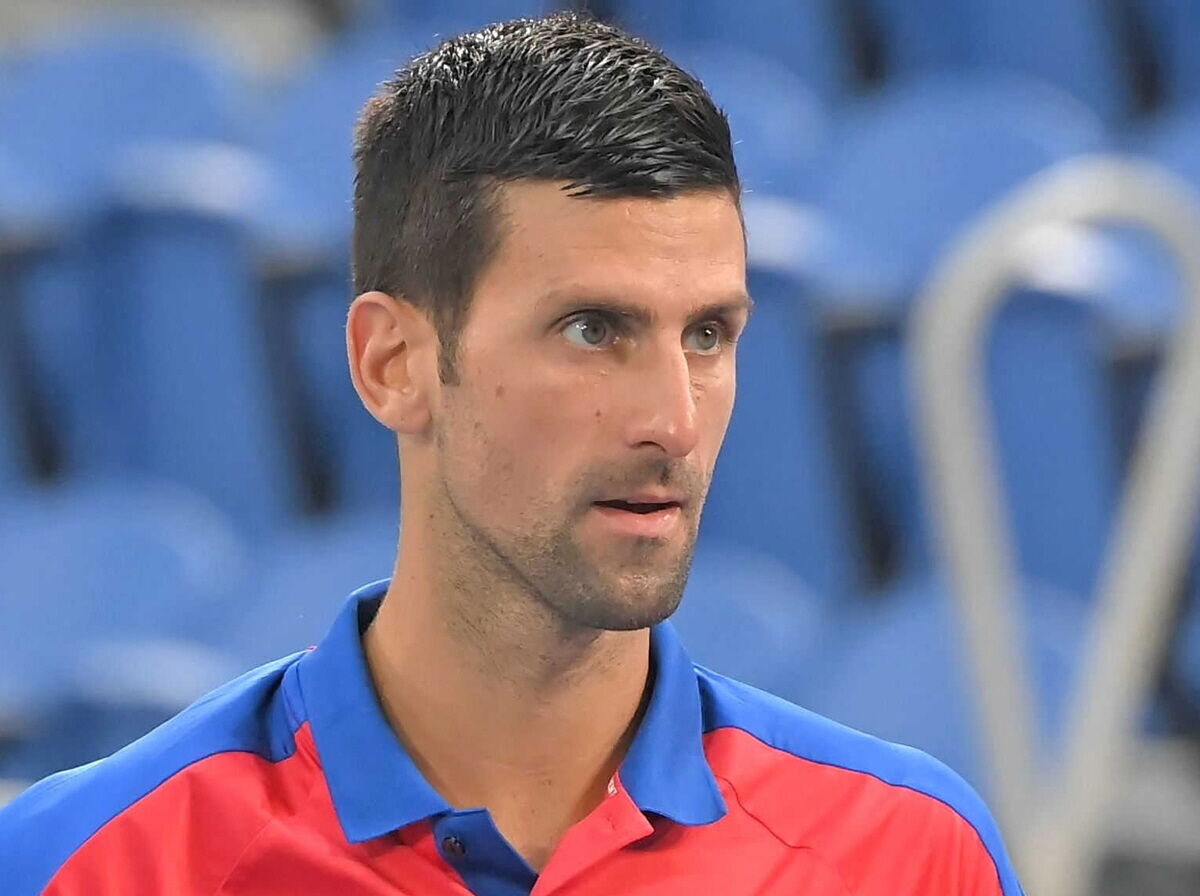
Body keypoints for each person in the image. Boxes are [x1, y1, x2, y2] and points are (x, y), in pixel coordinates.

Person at [1, 13, 1023, 895]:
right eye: (592, 330)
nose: (673, 420)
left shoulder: (907, 852)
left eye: (708, 335)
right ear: (392, 363)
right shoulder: (86, 862)